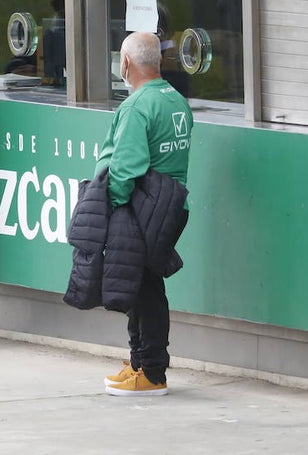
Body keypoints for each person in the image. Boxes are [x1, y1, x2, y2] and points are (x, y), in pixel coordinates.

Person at [97, 31, 193, 396]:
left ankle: (151, 372)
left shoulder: (137, 107)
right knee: (141, 285)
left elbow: (125, 168)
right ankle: (140, 362)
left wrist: (110, 207)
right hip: (170, 207)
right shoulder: (175, 99)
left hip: (143, 209)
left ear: (125, 63)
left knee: (144, 290)